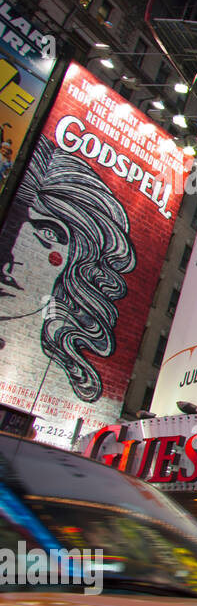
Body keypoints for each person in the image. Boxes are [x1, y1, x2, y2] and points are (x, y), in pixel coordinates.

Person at [0, 135, 136, 405]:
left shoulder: (65, 379)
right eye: (13, 220)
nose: (11, 255)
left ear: (78, 260)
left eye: (47, 233)